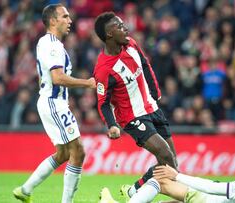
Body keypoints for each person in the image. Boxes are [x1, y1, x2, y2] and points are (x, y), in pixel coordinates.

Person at [13, 4, 96, 203]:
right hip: (54, 103)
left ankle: (25, 189)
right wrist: (87, 83)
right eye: (65, 17)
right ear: (52, 20)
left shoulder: (51, 43)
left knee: (63, 154)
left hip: (53, 102)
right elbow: (58, 78)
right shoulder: (51, 44)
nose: (70, 20)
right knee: (78, 151)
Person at [93, 12, 178, 202]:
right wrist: (111, 125)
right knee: (166, 155)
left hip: (152, 107)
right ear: (109, 34)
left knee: (170, 161)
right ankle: (183, 197)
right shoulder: (103, 69)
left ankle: (135, 190)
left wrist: (155, 92)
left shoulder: (130, 43)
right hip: (132, 117)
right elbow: (103, 102)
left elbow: (145, 65)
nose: (126, 29)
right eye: (120, 26)